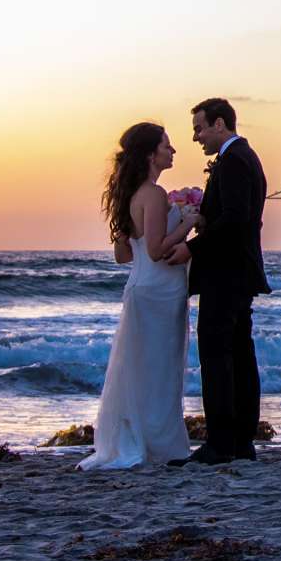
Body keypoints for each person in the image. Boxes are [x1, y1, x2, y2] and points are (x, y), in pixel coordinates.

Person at [78, 122, 193, 469]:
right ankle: (159, 443)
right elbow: (157, 250)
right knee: (160, 370)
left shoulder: (130, 195)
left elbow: (124, 255)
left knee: (142, 368)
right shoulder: (154, 194)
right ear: (150, 153)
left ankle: (140, 435)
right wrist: (189, 222)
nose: (173, 151)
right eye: (167, 146)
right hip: (160, 291)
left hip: (141, 287)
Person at [173, 97, 269, 465]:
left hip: (226, 272)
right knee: (240, 354)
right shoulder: (244, 158)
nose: (196, 138)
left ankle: (221, 443)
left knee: (217, 355)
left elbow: (233, 220)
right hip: (239, 271)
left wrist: (192, 248)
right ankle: (241, 441)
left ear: (218, 124)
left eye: (199, 128)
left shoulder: (233, 162)